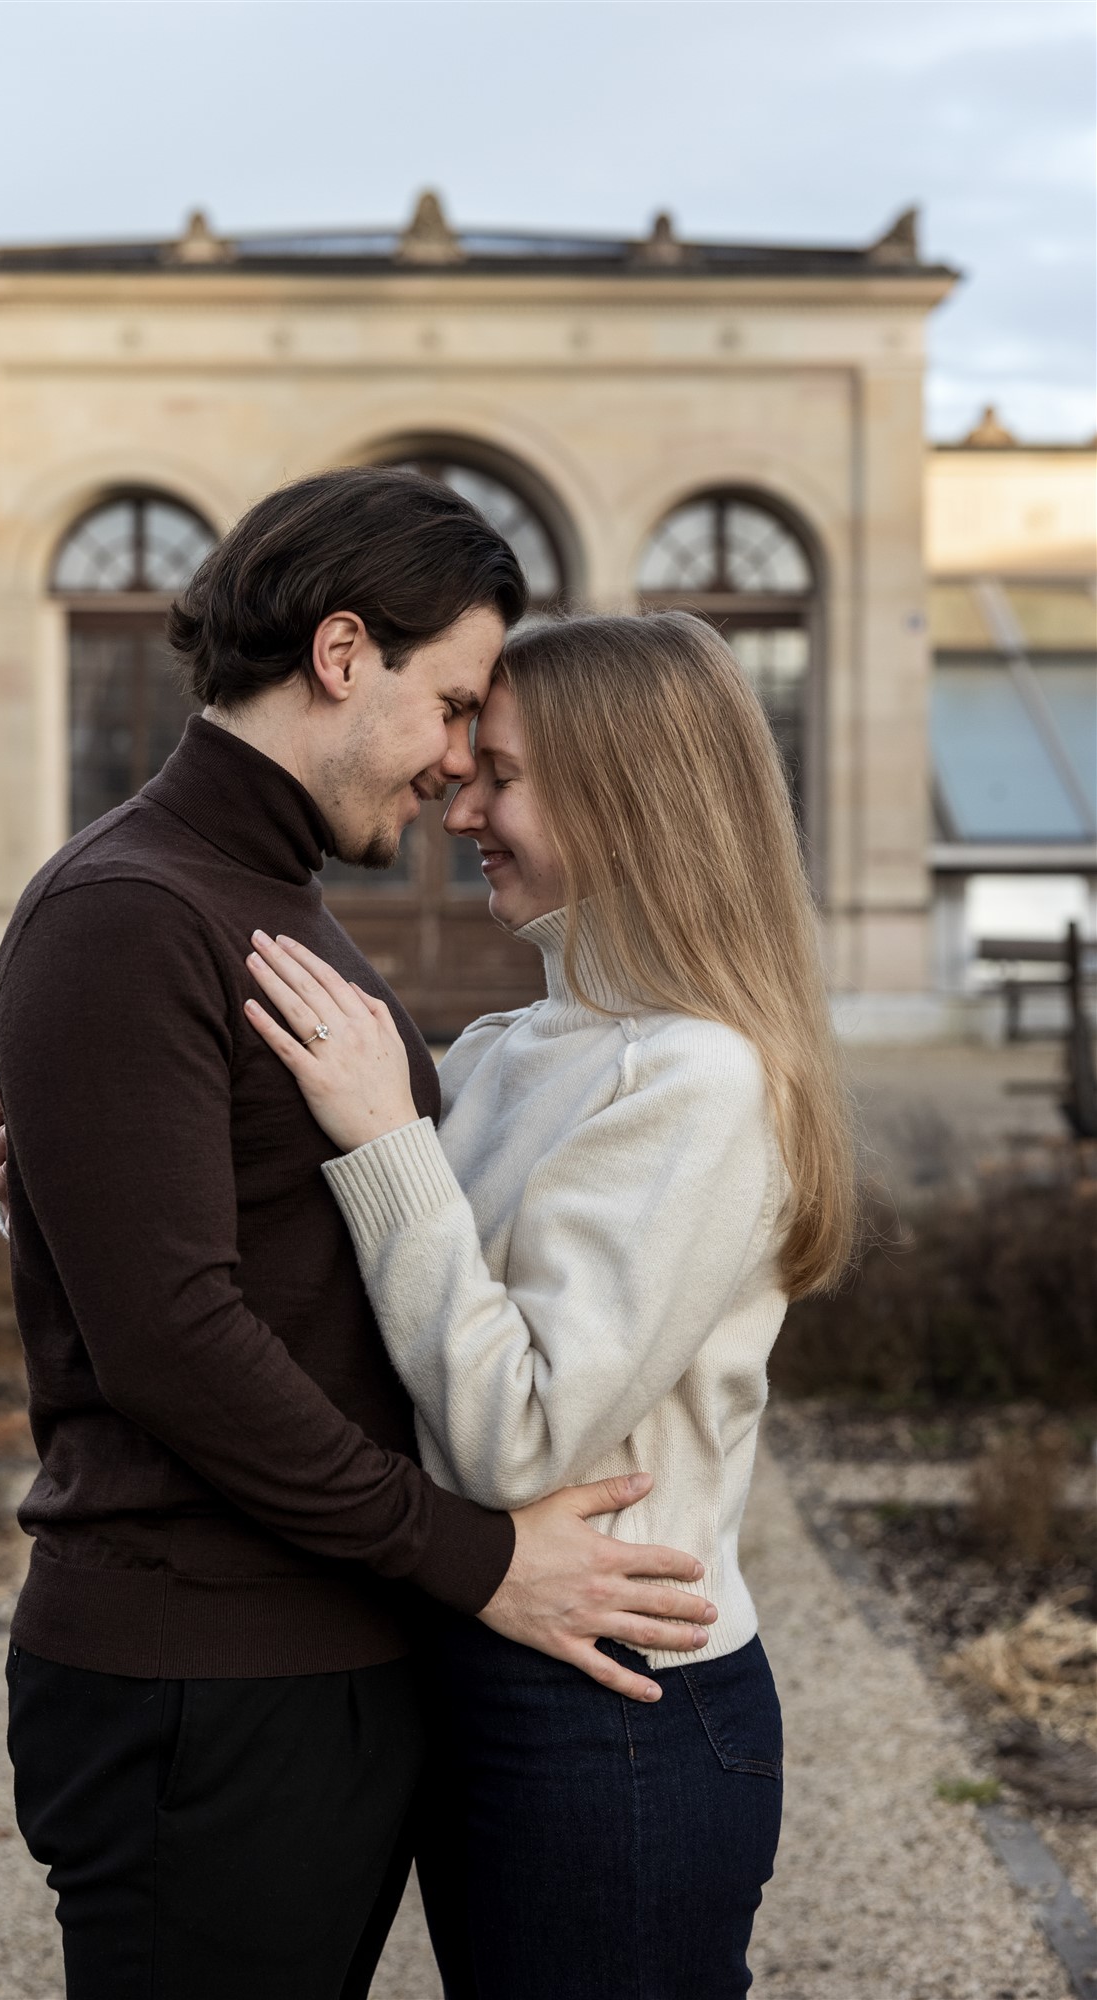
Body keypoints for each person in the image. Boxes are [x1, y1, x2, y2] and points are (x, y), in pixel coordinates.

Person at [0, 472, 716, 2000]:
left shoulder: (262, 894)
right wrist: (474, 1560)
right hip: (201, 1671)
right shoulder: (128, 909)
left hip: (316, 1659)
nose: (456, 769)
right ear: (337, 654)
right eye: (448, 707)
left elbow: (279, 1243)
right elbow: (173, 1343)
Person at [243, 610, 858, 2000]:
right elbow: (366, 1304)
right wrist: (79, 1193)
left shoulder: (700, 1082)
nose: (459, 808)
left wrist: (383, 1138)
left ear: (626, 800)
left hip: (617, 1708)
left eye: (502, 778)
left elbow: (515, 1439)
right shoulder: (508, 1050)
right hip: (486, 1657)